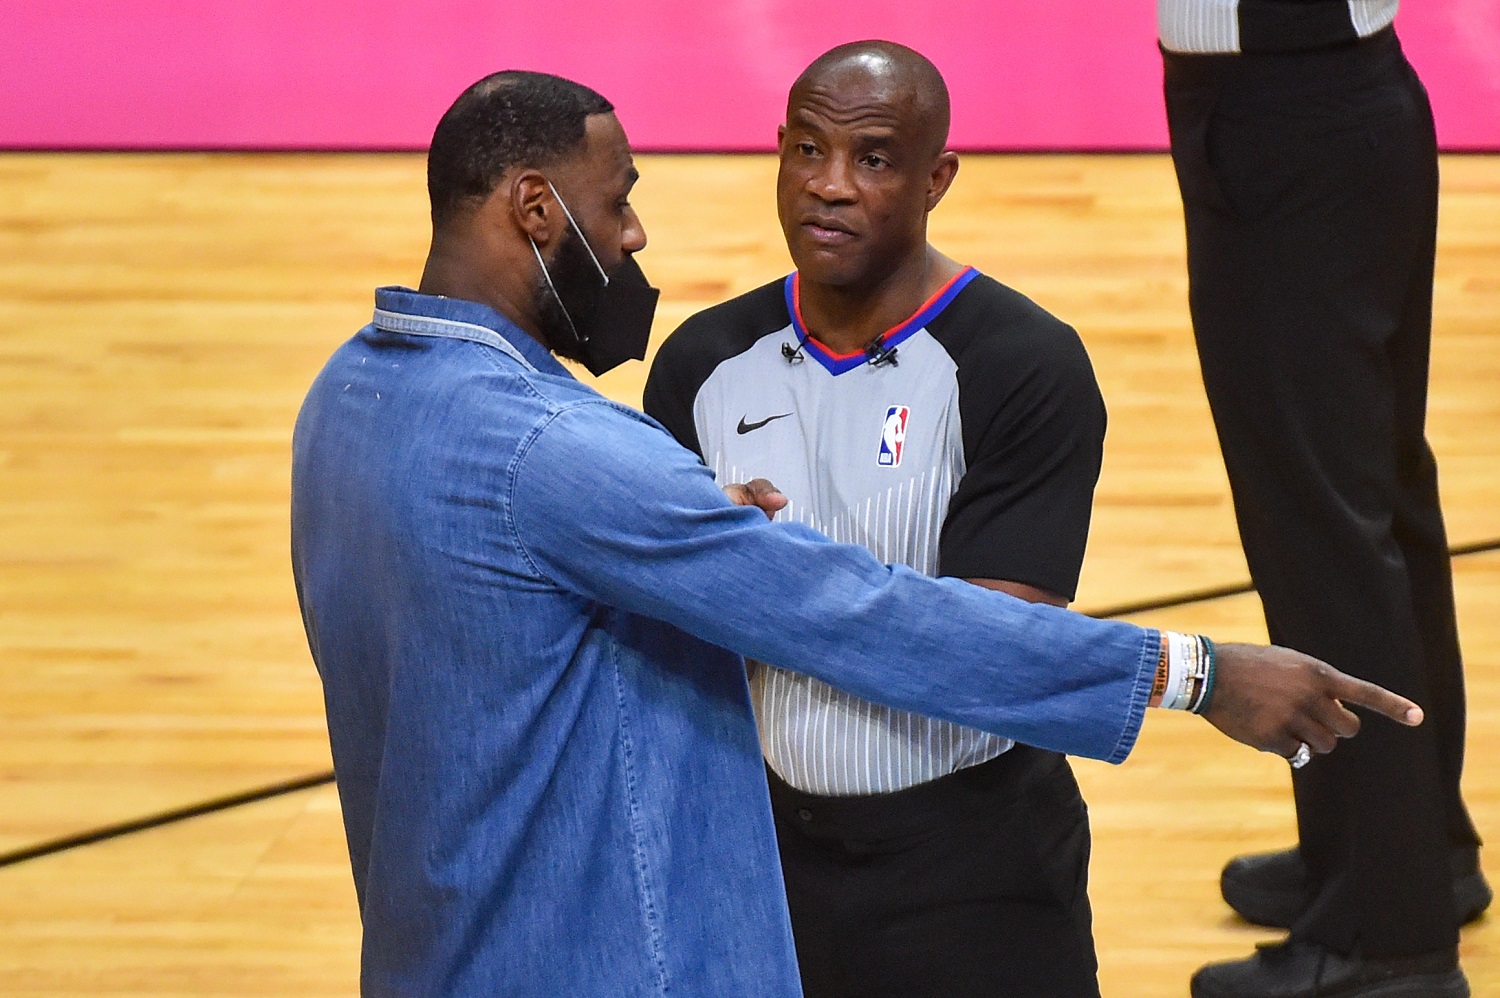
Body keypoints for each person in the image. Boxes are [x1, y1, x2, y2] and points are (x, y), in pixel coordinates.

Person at [290, 68, 1422, 997]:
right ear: (535, 211)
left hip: (426, 938)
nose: (633, 234)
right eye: (615, 201)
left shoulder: (344, 400)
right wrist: (1195, 670)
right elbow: (863, 617)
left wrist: (675, 537)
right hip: (579, 949)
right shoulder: (566, 450)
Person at [644, 40, 1112, 997]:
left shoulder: (1025, 365)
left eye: (873, 160)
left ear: (937, 178)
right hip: (764, 859)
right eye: (807, 151)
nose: (830, 187)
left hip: (977, 869)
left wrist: (741, 577)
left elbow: (985, 652)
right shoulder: (703, 362)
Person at [1160, 4, 1487, 997]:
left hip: (1292, 112)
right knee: (1372, 501)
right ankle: (1407, 850)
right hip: (1317, 100)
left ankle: (1386, 935)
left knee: (1327, 527)